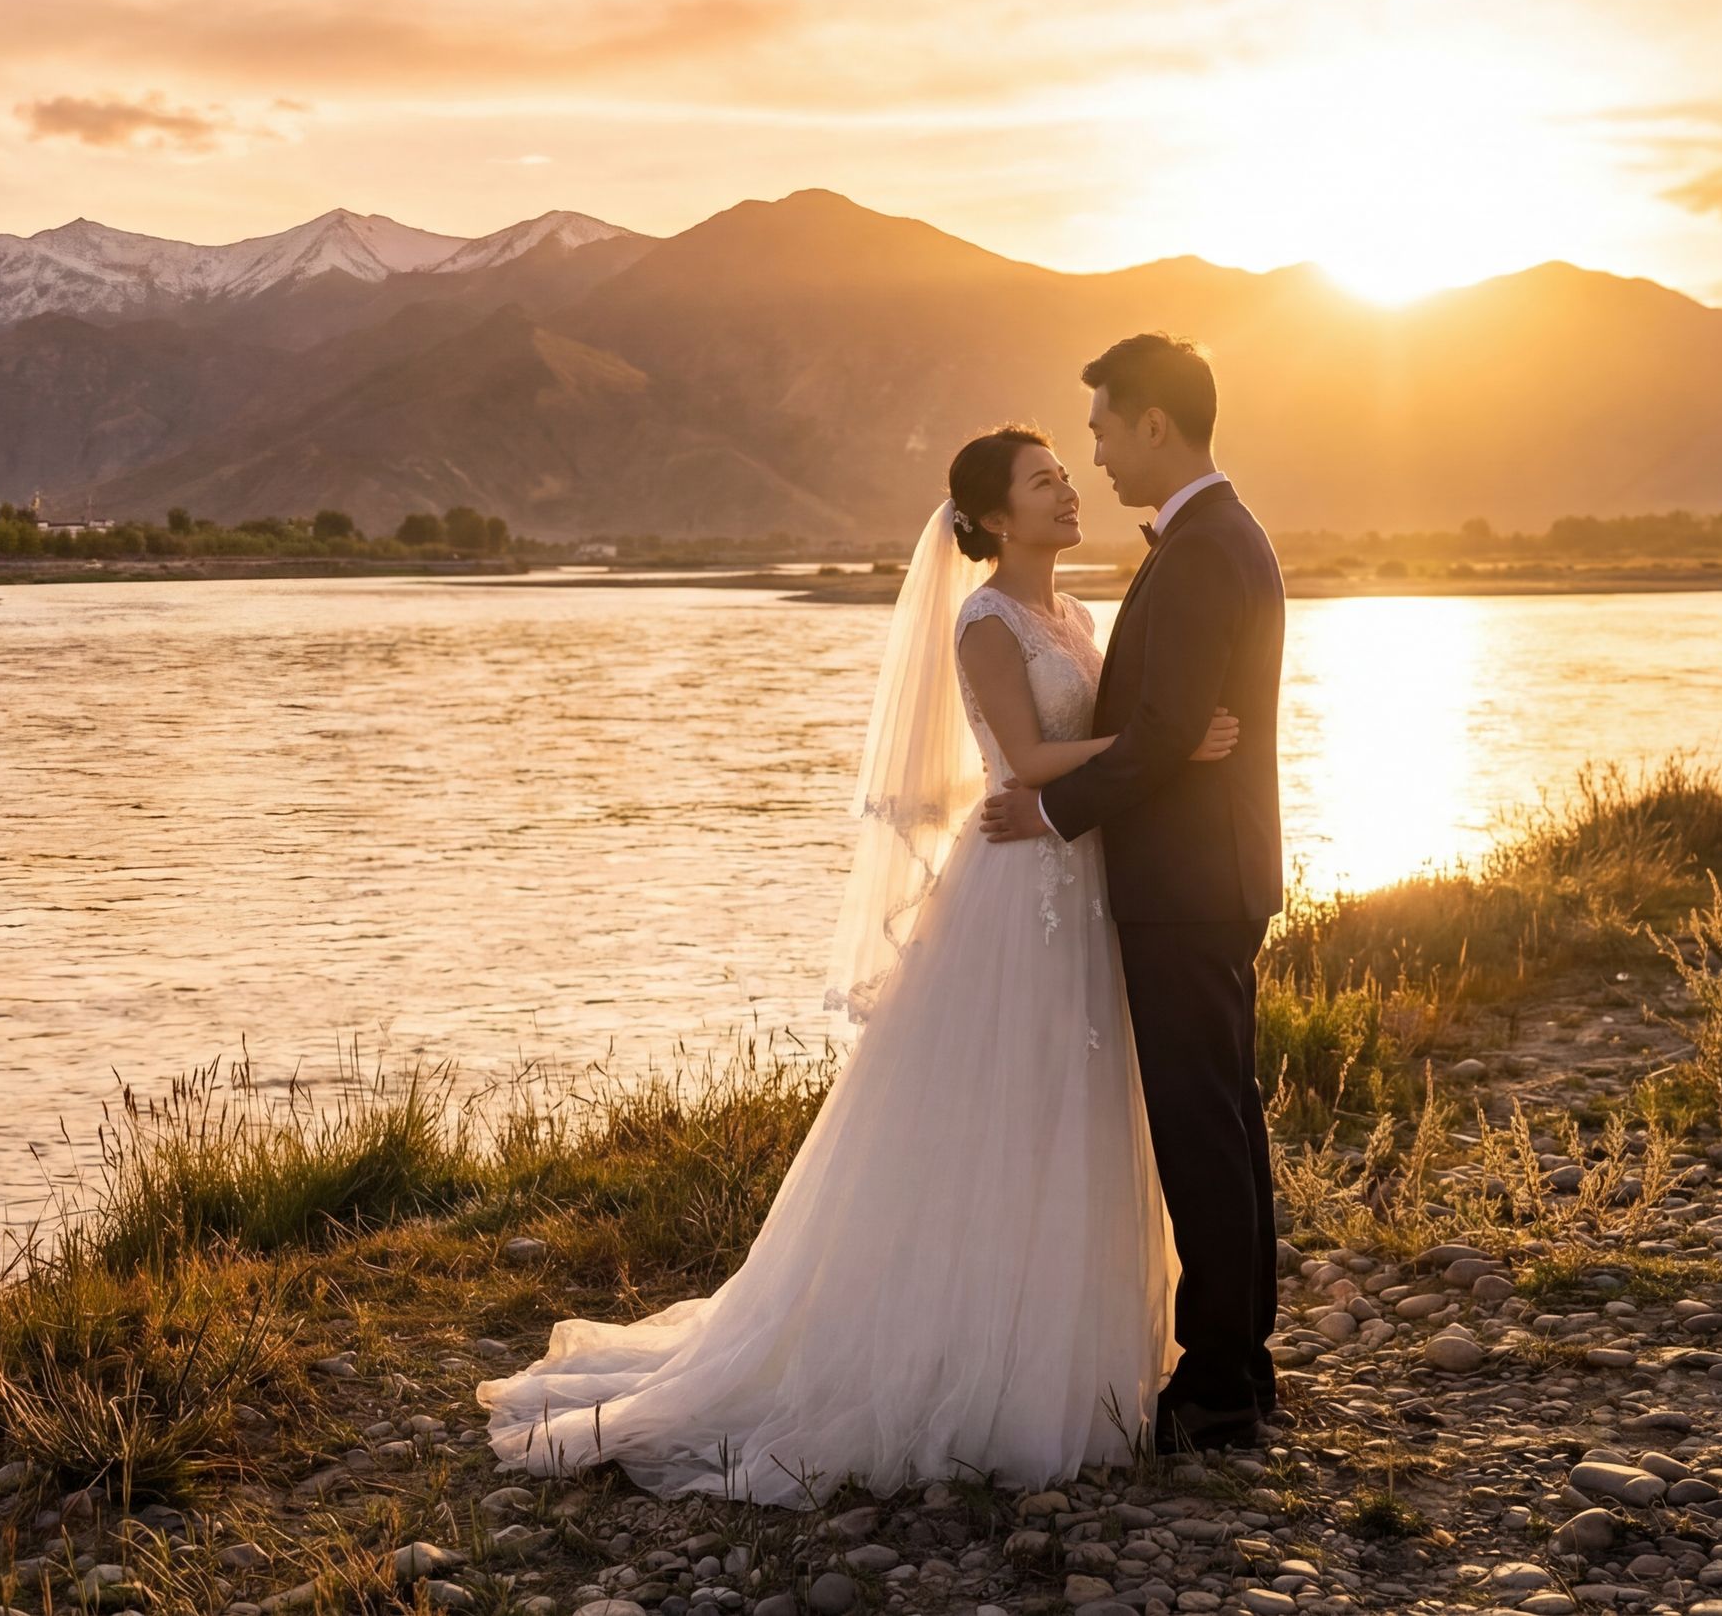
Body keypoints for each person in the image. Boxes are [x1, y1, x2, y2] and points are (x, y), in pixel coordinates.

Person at [476, 423, 1241, 1500]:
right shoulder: (986, 621)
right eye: (1044, 482)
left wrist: (1146, 751)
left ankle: (1068, 1350)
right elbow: (1026, 759)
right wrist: (1163, 745)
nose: (1071, 490)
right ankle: (957, 1354)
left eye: (1068, 474)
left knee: (1070, 1104)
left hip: (1082, 876)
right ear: (991, 517)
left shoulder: (1073, 613)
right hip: (1018, 886)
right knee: (996, 1108)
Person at [981, 332, 1288, 1451]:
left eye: (1104, 429)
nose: (1099, 455)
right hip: (1205, 875)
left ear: (1155, 421)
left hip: (1189, 881)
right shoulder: (1211, 535)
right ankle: (1242, 1362)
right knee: (1224, 1117)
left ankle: (1217, 1387)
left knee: (1202, 1125)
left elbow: (1163, 733)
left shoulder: (1204, 548)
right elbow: (1165, 728)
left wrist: (1052, 811)